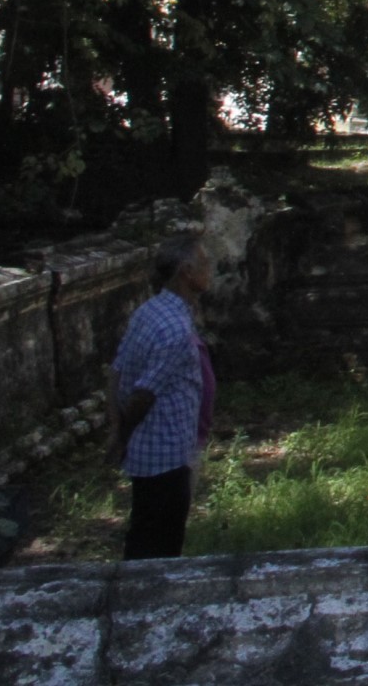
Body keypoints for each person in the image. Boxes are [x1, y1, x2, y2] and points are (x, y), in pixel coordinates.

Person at [110, 233, 216, 559]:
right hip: (165, 454)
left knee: (145, 531)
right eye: (204, 263)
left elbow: (116, 372)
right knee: (158, 544)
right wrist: (121, 437)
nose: (210, 269)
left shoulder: (150, 311)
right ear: (186, 271)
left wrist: (115, 430)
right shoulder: (174, 329)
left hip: (157, 449)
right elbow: (143, 394)